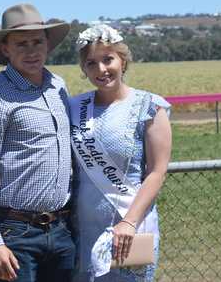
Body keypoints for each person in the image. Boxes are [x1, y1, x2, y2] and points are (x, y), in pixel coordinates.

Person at [0, 3, 75, 282]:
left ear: (48, 44)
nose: (31, 51)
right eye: (21, 43)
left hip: (62, 228)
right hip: (16, 233)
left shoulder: (57, 86)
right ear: (5, 49)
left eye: (37, 42)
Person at [69, 24, 172, 281]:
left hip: (129, 230)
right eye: (91, 63)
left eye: (108, 59)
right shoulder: (74, 107)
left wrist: (129, 222)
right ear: (84, 69)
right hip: (82, 230)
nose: (101, 69)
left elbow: (157, 172)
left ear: (122, 60)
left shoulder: (149, 106)